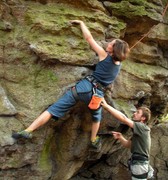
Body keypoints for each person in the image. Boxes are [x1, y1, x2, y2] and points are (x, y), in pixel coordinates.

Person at [12, 20, 130, 151]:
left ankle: (28, 130)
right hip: (97, 95)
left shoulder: (103, 55)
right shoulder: (119, 65)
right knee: (96, 118)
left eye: (111, 44)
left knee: (53, 109)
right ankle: (93, 139)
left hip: (83, 88)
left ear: (113, 49)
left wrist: (81, 23)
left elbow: (89, 38)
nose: (109, 43)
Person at [101, 99, 154, 179]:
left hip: (140, 163)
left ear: (143, 118)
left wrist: (107, 107)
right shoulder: (139, 133)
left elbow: (124, 119)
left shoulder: (142, 127)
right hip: (138, 162)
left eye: (138, 112)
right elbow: (127, 144)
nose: (134, 113)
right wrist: (120, 137)